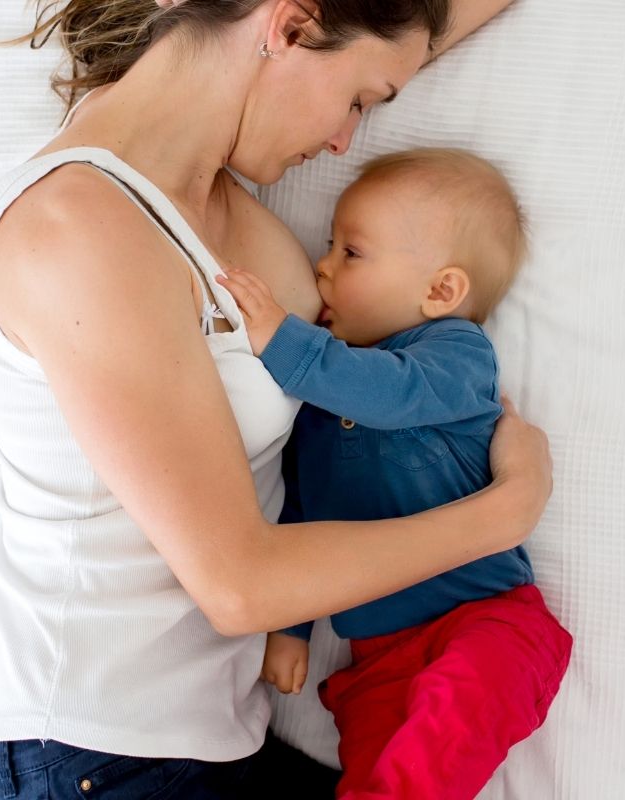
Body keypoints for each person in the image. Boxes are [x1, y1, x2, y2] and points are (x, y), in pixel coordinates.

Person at [0, 1, 553, 798]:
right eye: (361, 101)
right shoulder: (78, 226)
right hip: (95, 758)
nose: (347, 139)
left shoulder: (223, 209)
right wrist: (505, 513)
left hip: (215, 746)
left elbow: (418, 19)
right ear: (292, 27)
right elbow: (240, 584)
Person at [216, 147, 573, 800]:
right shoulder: (320, 407)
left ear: (441, 292)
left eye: (350, 253)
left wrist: (283, 338)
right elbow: (304, 517)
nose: (322, 267)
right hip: (376, 658)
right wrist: (292, 626)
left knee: (449, 721)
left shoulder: (455, 358)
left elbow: (387, 393)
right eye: (330, 246)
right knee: (376, 770)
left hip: (484, 623)